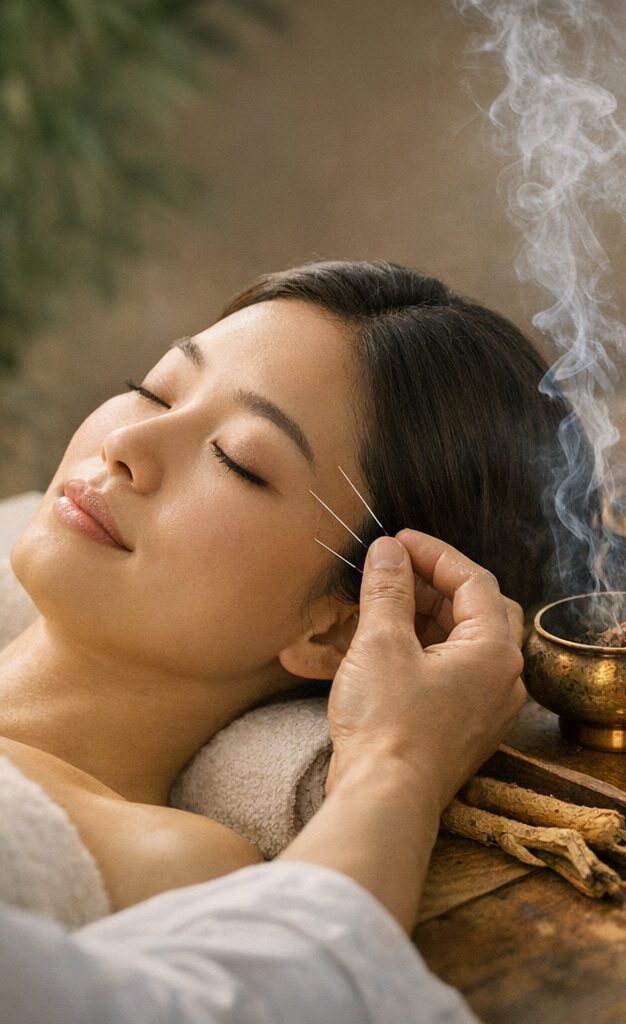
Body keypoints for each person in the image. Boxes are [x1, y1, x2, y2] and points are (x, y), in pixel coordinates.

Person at [0, 261, 594, 1016]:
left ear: (341, 625)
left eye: (238, 461)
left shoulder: (153, 863)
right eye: (153, 388)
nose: (127, 444)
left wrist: (398, 759)